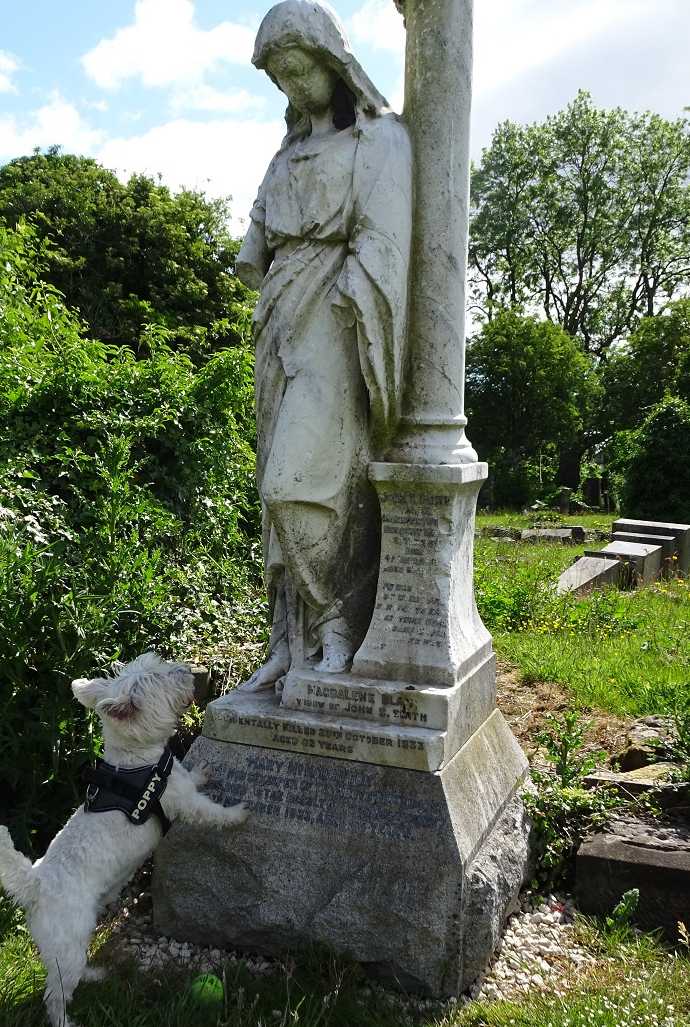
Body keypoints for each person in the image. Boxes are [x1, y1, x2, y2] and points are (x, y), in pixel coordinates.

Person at [236, 0, 412, 690]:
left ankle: (336, 622)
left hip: (335, 317)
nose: (292, 88)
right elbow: (255, 241)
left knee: (299, 484)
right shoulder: (287, 151)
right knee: (272, 490)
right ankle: (290, 645)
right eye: (278, 77)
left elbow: (383, 236)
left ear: (333, 64)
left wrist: (351, 299)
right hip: (279, 319)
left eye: (299, 70)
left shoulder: (378, 142)